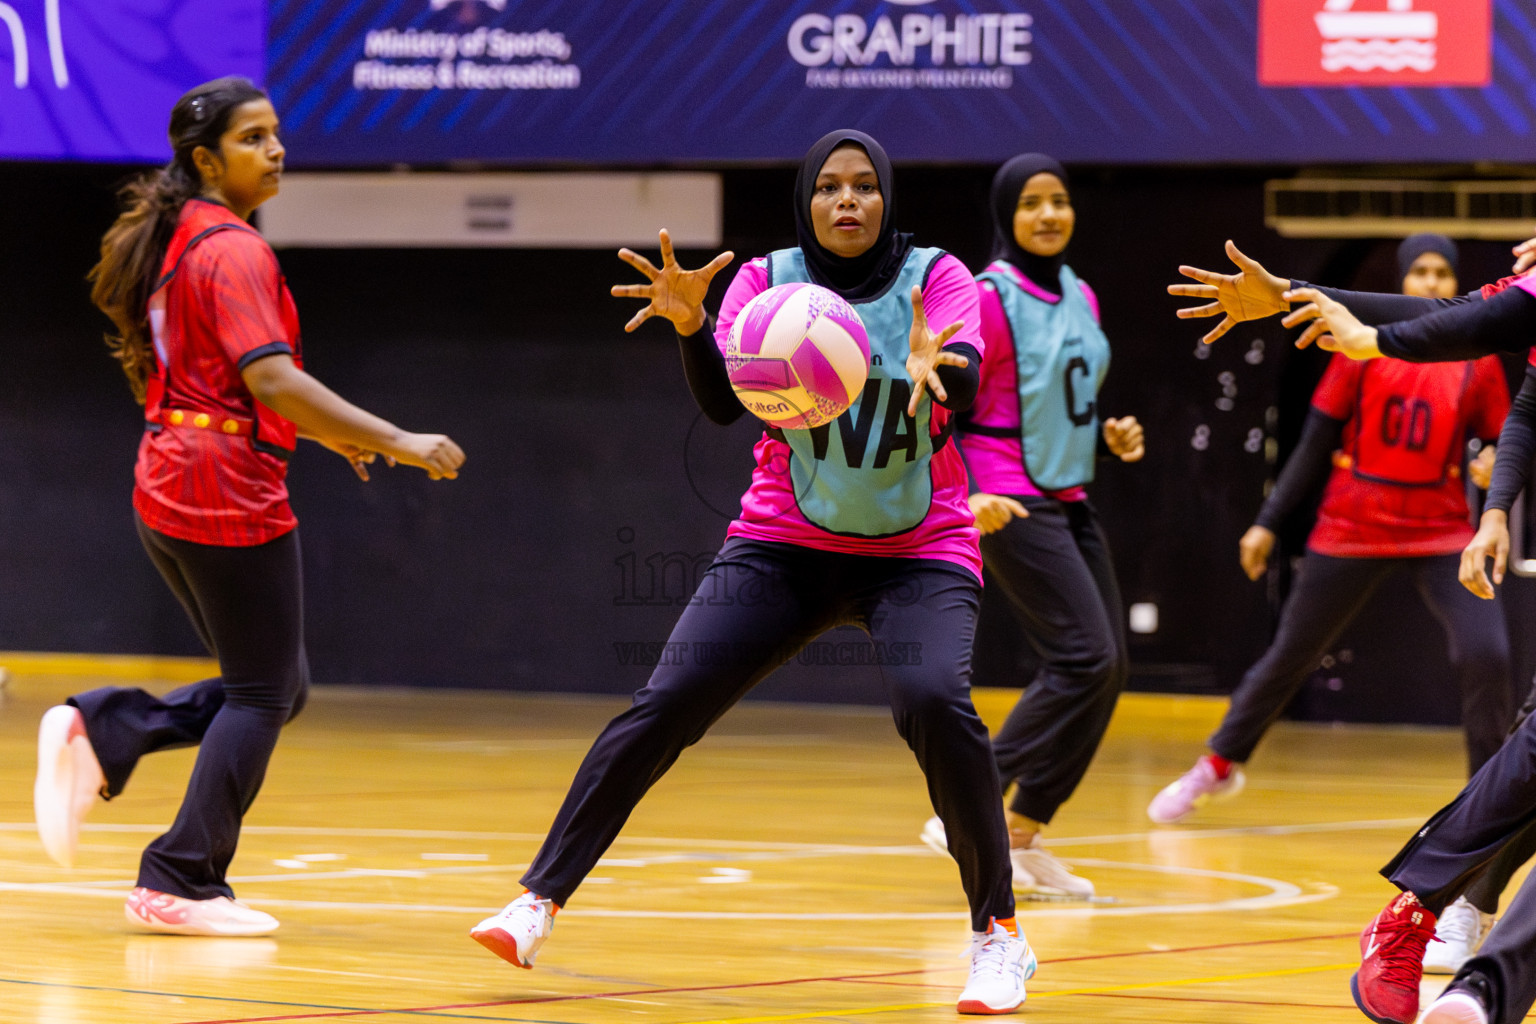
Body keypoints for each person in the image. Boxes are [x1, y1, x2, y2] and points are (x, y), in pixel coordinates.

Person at [468, 130, 1034, 1015]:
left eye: (864, 188)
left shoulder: (938, 277)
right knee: (666, 704)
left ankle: (998, 936)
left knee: (933, 702)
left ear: (887, 199)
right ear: (806, 201)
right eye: (828, 189)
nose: (847, 202)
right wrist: (695, 327)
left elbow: (959, 381)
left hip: (918, 551)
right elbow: (722, 407)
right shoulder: (764, 283)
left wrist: (941, 370)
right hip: (785, 546)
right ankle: (537, 898)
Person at [33, 76, 465, 937]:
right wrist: (395, 438)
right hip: (223, 488)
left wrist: (324, 435)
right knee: (267, 691)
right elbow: (270, 378)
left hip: (171, 473)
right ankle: (180, 878)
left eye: (277, 134)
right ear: (204, 159)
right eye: (253, 138)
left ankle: (105, 728)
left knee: (271, 685)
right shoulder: (232, 249)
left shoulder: (185, 241)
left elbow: (230, 384)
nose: (275, 151)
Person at [1170, 239, 1536, 1024]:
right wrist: (1271, 519)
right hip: (1354, 524)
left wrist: (1491, 499)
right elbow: (1461, 335)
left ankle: (1458, 930)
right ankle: (1220, 761)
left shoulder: (1476, 365)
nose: (1433, 279)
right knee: (1293, 652)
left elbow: (1508, 401)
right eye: (1422, 270)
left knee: (1498, 677)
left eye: (1443, 271)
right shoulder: (1463, 319)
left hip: (1439, 528)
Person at [920, 154, 1144, 900]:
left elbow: (1063, 396)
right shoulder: (987, 298)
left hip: (1068, 490)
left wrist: (1108, 431)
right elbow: (940, 410)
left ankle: (1022, 837)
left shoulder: (1082, 294)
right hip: (1003, 492)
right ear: (1006, 215)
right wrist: (964, 497)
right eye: (1031, 204)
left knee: (1108, 668)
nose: (1049, 215)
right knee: (1082, 656)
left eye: (1059, 201)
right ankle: (966, 796)